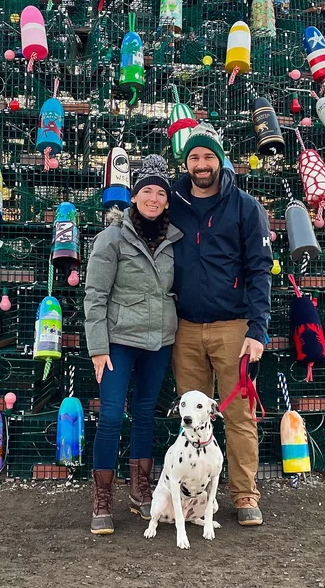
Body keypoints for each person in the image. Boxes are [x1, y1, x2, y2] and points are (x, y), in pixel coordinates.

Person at [168, 124, 272, 527]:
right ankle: (191, 498)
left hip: (233, 327)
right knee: (192, 420)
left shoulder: (245, 207)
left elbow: (260, 270)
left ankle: (245, 495)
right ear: (187, 161)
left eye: (208, 156)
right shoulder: (173, 202)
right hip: (186, 327)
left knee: (239, 415)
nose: (201, 164)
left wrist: (257, 330)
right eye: (194, 157)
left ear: (219, 159)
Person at [84, 155, 180, 535]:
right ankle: (102, 496)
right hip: (118, 341)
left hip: (159, 340)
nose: (153, 198)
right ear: (134, 195)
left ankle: (141, 488)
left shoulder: (175, 240)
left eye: (160, 192)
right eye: (146, 191)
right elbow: (94, 295)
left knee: (144, 414)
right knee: (110, 416)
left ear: (167, 200)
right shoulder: (111, 238)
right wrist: (98, 347)